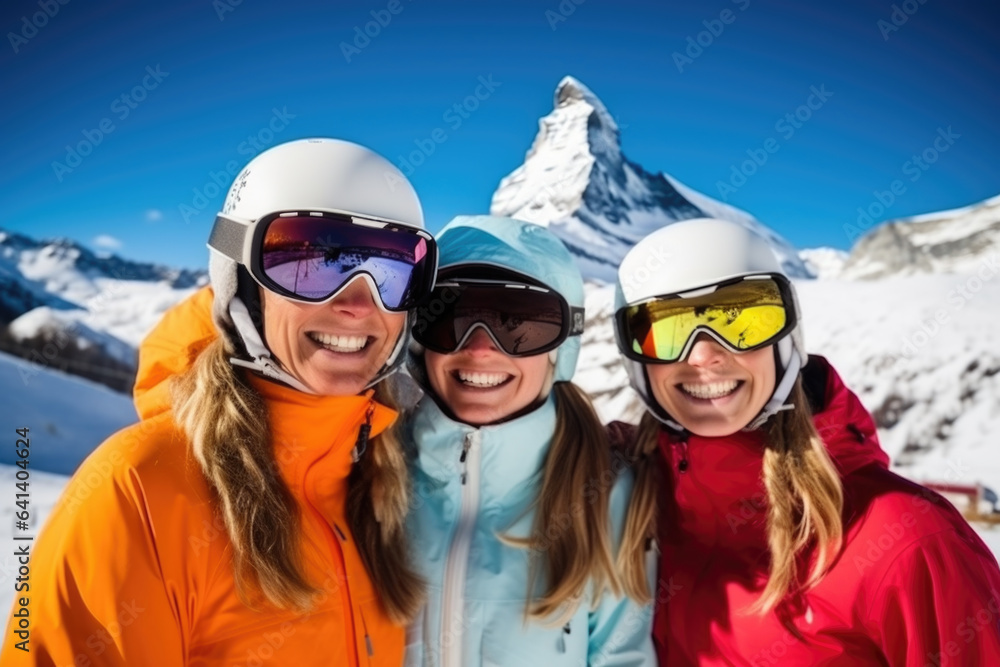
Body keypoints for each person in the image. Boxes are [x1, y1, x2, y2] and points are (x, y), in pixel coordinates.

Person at [1, 138, 437, 665]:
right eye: (316, 262)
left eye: (392, 271)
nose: (359, 303)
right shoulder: (137, 492)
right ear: (242, 283)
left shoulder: (380, 484)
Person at [611, 218, 1000, 665]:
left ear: (786, 336)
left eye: (742, 319)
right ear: (635, 360)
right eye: (666, 330)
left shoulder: (907, 539)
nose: (703, 355)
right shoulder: (627, 502)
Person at [402, 216, 655, 666]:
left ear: (561, 350)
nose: (480, 348)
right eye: (450, 316)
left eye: (520, 324)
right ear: (419, 340)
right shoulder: (372, 473)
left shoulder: (606, 498)